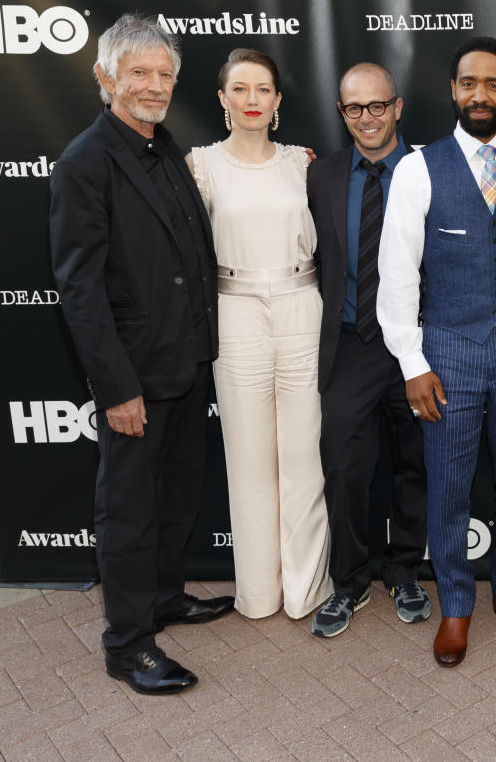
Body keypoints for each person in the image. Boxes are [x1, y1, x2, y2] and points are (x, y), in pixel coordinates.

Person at [49, 13, 234, 696]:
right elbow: (80, 287)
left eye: (164, 74)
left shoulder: (163, 146)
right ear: (106, 78)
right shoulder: (85, 163)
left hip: (185, 361)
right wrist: (116, 386)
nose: (154, 85)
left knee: (178, 493)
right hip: (134, 375)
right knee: (128, 511)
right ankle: (127, 644)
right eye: (139, 73)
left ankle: (162, 598)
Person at [378, 36, 496, 668]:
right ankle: (455, 603)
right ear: (453, 91)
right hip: (446, 352)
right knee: (449, 486)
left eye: (494, 84)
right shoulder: (419, 169)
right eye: (469, 83)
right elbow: (396, 274)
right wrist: (412, 362)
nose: (481, 94)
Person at [185, 48, 332, 622]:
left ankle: (305, 591)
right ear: (222, 100)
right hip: (235, 311)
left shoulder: (302, 163)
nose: (252, 100)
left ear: (277, 101)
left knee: (303, 457)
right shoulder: (199, 166)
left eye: (263, 90)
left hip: (301, 307)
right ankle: (259, 594)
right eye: (240, 90)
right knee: (247, 461)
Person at [306, 63, 430, 638]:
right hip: (350, 345)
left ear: (397, 107)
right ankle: (350, 582)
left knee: (415, 465)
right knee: (347, 471)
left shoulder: (429, 170)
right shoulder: (321, 176)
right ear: (341, 113)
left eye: (377, 106)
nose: (367, 118)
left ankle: (404, 569)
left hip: (417, 349)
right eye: (355, 108)